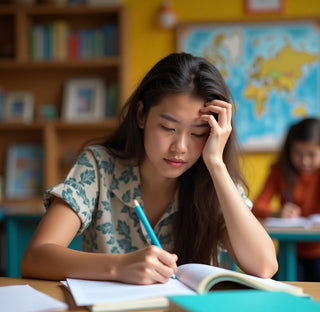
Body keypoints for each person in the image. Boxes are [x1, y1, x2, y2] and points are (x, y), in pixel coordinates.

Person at [21, 52, 277, 284]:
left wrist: (217, 165)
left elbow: (264, 266)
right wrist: (118, 267)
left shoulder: (212, 182)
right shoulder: (98, 167)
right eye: (168, 128)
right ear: (141, 115)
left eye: (198, 133)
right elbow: (36, 257)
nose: (181, 147)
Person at [252, 117, 320, 281]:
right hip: (289, 251)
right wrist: (277, 213)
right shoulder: (279, 171)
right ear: (288, 149)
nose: (304, 161)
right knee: (282, 288)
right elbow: (256, 207)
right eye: (298, 153)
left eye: (312, 154)